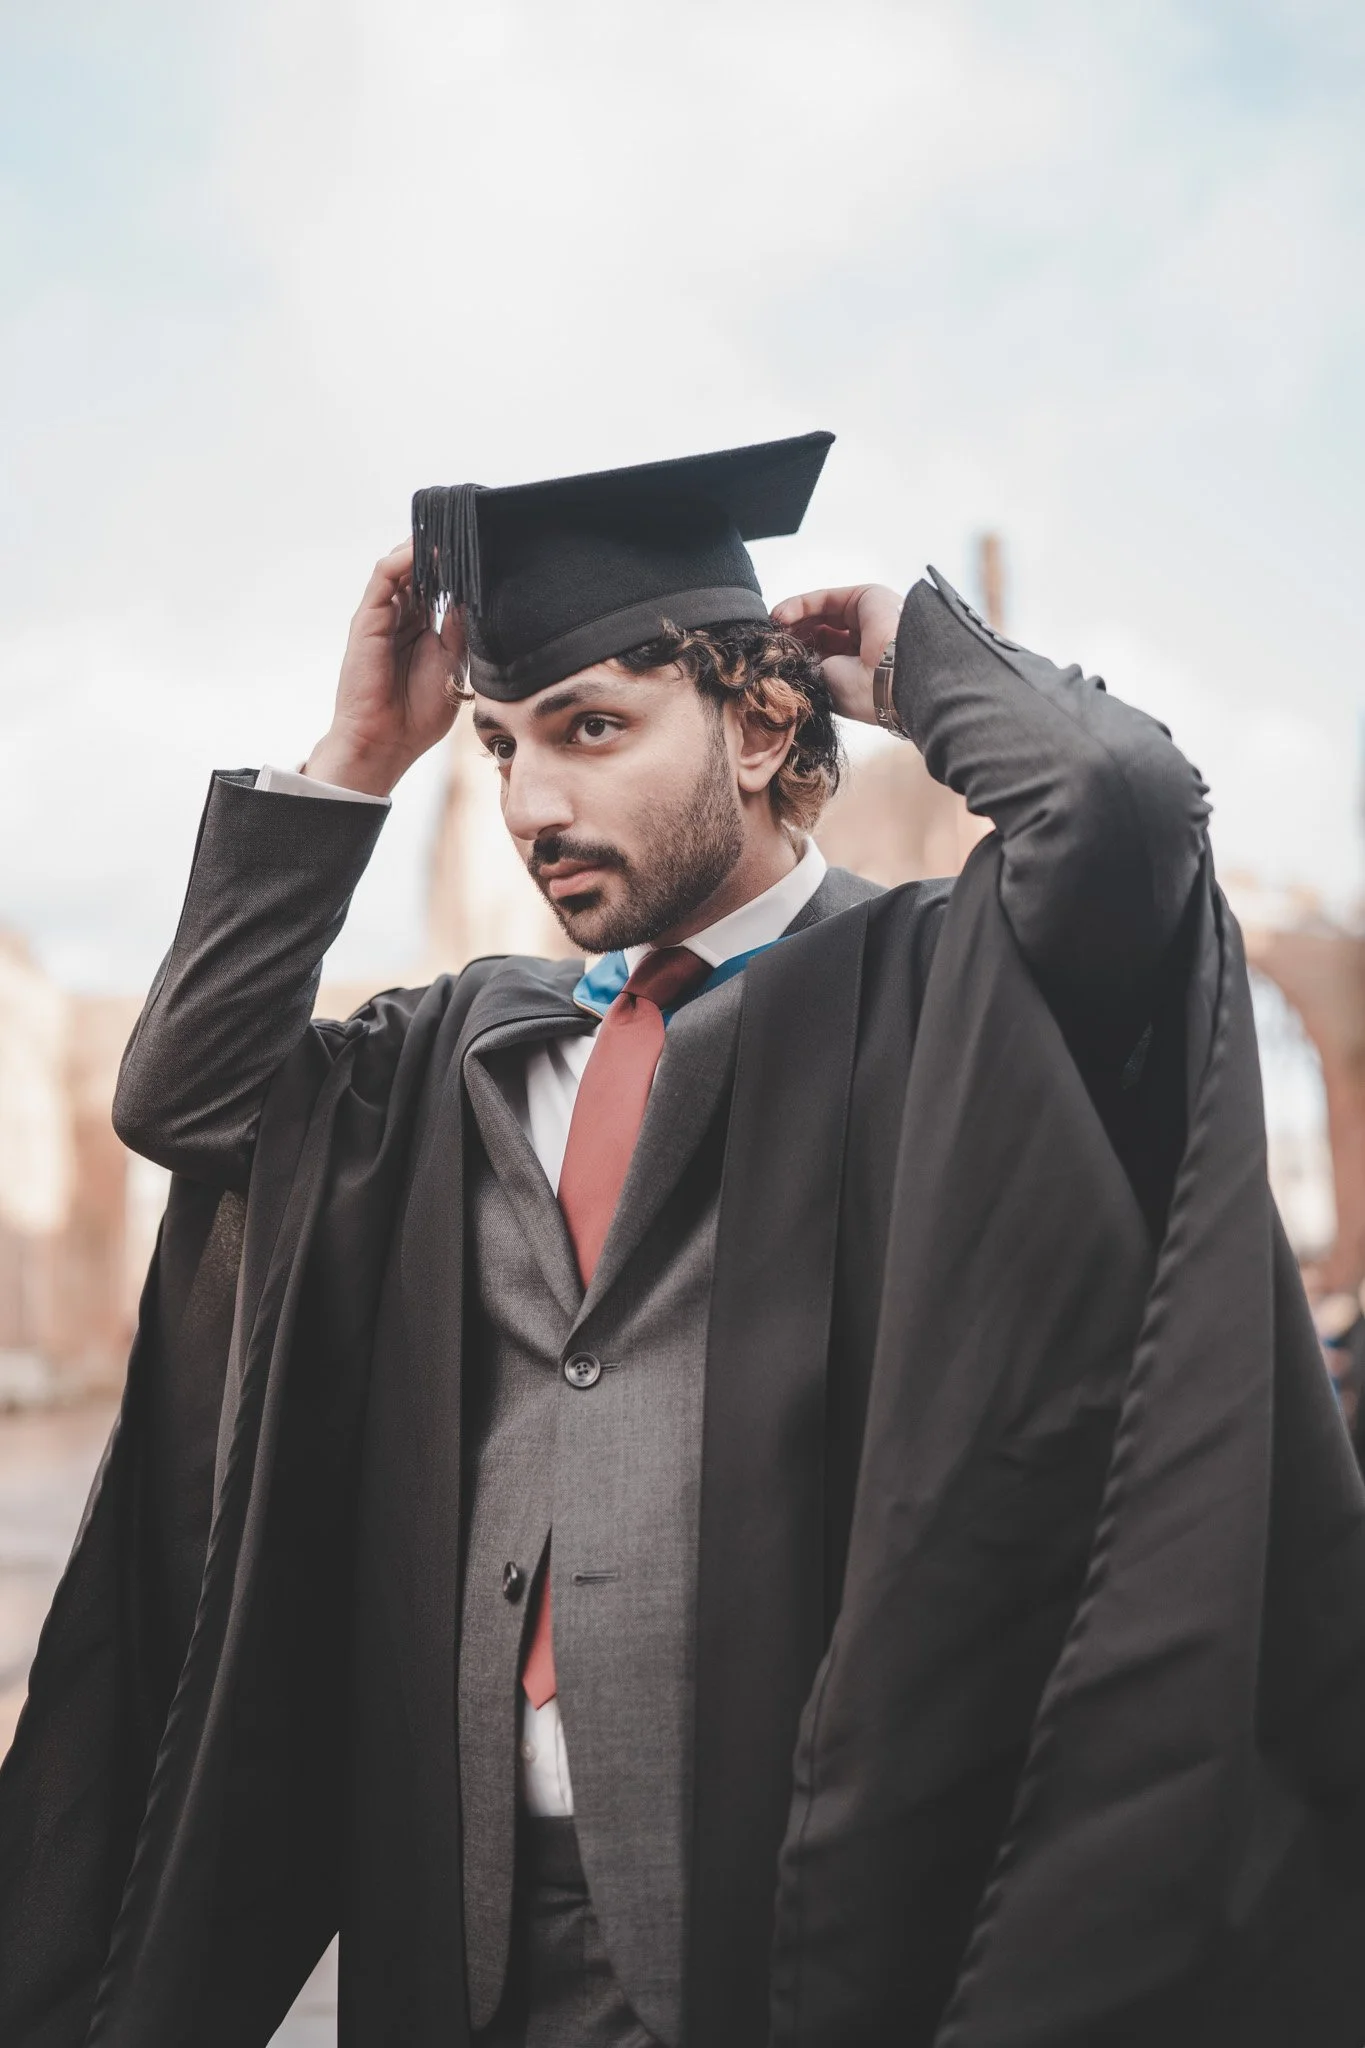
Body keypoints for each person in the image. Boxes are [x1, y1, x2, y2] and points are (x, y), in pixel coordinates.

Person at [4, 432, 1365, 2048]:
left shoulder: (928, 990)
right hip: (463, 1908)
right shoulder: (455, 1049)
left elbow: (1125, 815)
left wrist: (922, 659)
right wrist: (359, 760)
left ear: (763, 715)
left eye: (591, 729)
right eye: (501, 748)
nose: (534, 802)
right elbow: (188, 1096)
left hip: (797, 1904)